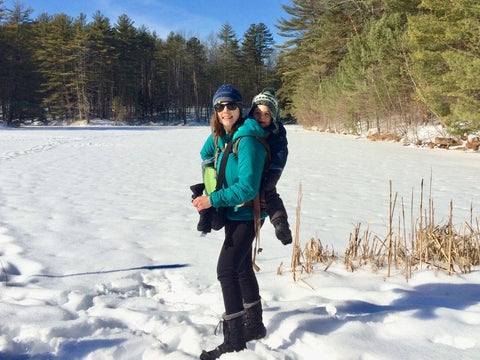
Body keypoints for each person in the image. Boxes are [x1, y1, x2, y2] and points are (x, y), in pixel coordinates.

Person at [192, 84, 268, 359]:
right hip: (234, 212)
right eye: (219, 107)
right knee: (241, 268)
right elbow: (206, 153)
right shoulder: (227, 137)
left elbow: (247, 188)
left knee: (226, 271)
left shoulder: (246, 140)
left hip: (246, 214)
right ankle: (255, 325)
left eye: (231, 105)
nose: (225, 111)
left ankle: (234, 339)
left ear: (241, 107)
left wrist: (212, 200)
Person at [248, 88, 292, 245]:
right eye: (258, 113)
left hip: (267, 171)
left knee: (269, 194)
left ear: (272, 116)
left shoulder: (276, 132)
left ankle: (281, 224)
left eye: (267, 114)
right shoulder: (246, 129)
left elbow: (281, 152)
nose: (261, 117)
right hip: (248, 172)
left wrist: (275, 171)